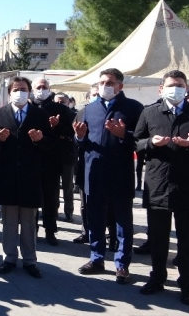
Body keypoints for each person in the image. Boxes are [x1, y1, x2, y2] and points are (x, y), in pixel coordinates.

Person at [74, 68, 144, 284]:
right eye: (102, 82)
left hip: (120, 174)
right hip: (94, 173)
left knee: (123, 222)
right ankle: (96, 259)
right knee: (95, 220)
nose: (105, 86)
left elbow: (142, 141)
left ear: (120, 86)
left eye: (110, 82)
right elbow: (81, 143)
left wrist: (124, 135)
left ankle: (122, 265)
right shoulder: (89, 109)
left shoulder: (133, 108)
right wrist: (79, 137)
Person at [134, 70, 189, 305]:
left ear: (186, 89)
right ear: (161, 89)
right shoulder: (150, 112)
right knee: (158, 238)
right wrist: (151, 142)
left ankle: (187, 284)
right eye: (171, 85)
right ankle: (157, 278)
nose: (175, 89)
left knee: (187, 240)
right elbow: (135, 142)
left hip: (188, 186)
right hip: (158, 184)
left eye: (180, 85)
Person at [0, 77, 53, 279]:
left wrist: (40, 140)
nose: (20, 93)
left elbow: (50, 145)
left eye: (24, 89)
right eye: (16, 89)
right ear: (10, 93)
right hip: (7, 175)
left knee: (29, 222)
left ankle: (30, 260)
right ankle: (9, 258)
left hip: (30, 175)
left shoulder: (39, 114)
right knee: (9, 221)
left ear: (29, 92)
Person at [30, 77, 75, 244]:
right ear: (33, 89)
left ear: (49, 89)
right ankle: (32, 229)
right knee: (32, 197)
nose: (41, 90)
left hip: (52, 159)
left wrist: (57, 126)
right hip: (31, 160)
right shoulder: (27, 107)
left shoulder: (59, 109)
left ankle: (50, 230)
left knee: (50, 197)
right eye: (38, 87)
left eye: (44, 87)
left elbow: (72, 132)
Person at [72, 85, 99, 244]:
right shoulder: (82, 113)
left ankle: (111, 235)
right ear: (88, 98)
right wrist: (79, 137)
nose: (97, 97)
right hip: (86, 162)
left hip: (106, 164)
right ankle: (86, 231)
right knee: (85, 202)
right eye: (94, 94)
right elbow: (75, 140)